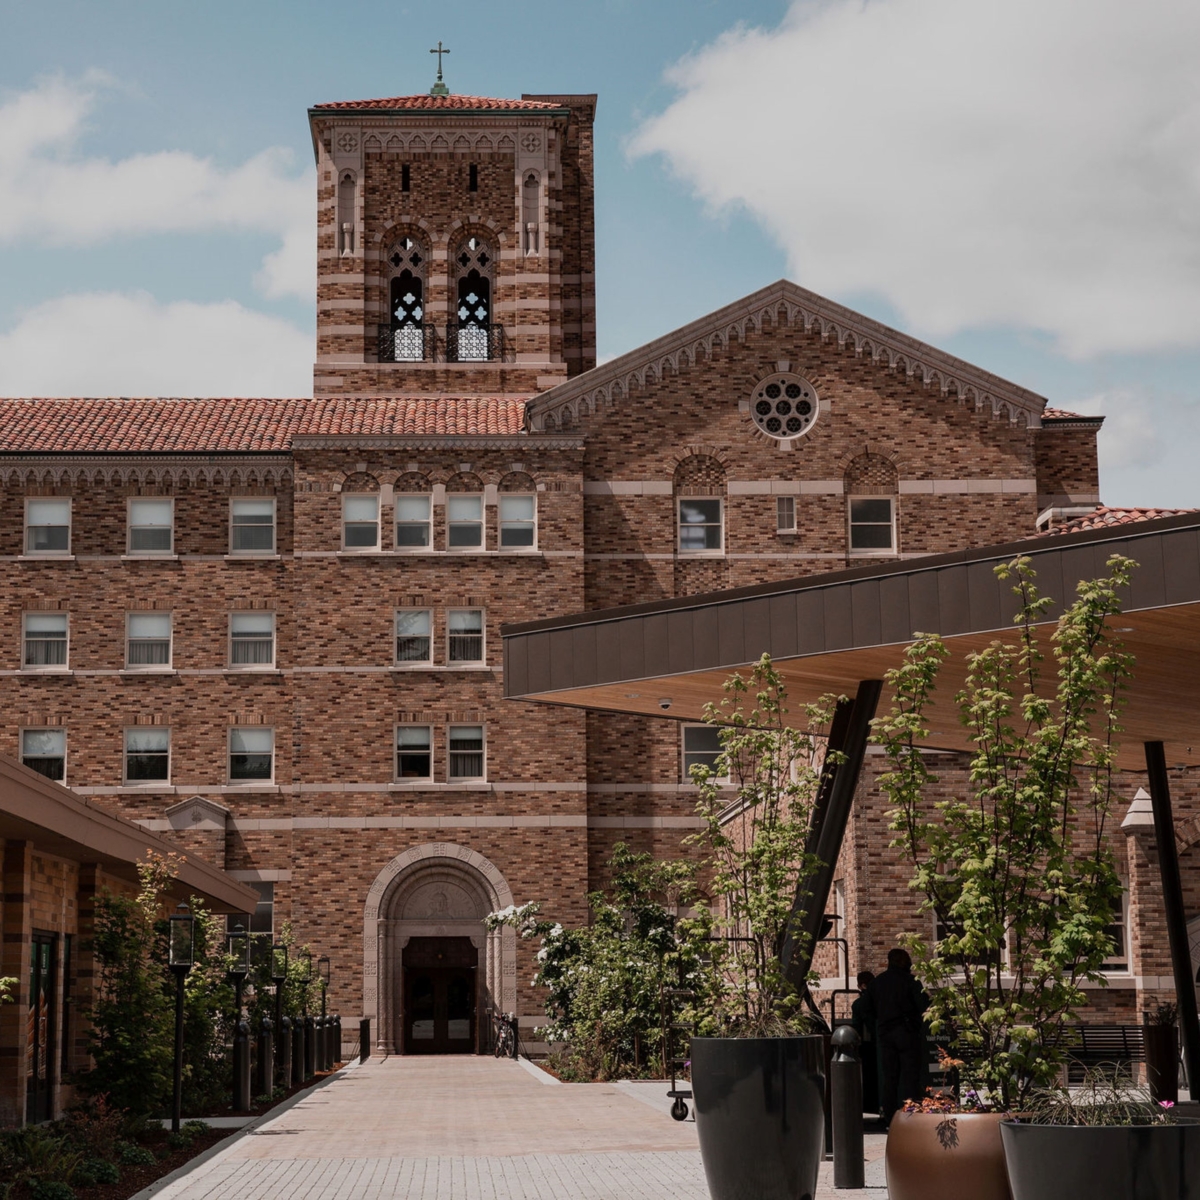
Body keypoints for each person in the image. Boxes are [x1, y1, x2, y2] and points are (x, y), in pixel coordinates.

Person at [870, 947, 929, 1127]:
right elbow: (924, 1005)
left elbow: (865, 1007)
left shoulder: (877, 983)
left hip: (885, 1033)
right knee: (910, 1075)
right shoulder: (911, 982)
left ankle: (889, 1117)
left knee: (890, 1077)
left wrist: (876, 1026)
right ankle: (911, 1114)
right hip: (906, 1032)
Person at [850, 970, 882, 1118]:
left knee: (869, 1077)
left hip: (867, 1045)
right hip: (882, 1041)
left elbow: (856, 1026)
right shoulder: (881, 1000)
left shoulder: (859, 1004)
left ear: (861, 985)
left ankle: (870, 1104)